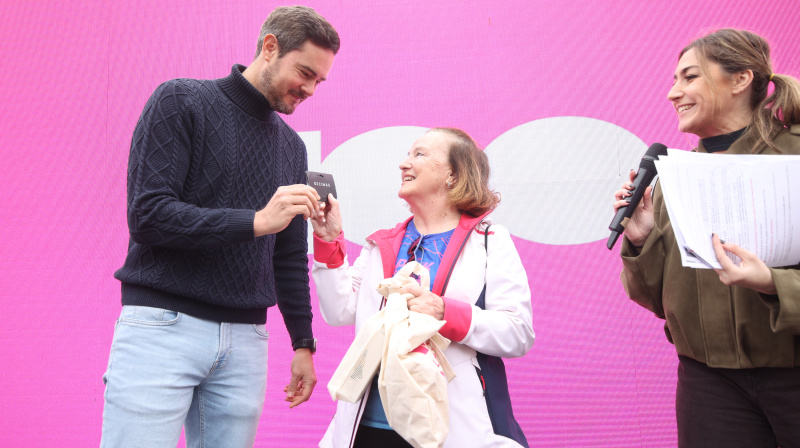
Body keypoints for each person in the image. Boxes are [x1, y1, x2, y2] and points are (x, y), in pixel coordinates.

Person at [101, 6, 340, 447]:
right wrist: (256, 222)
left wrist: (303, 343)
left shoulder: (291, 148)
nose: (309, 89)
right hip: (162, 325)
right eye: (305, 72)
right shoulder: (181, 101)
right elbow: (149, 215)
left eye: (318, 81)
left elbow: (287, 258)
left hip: (246, 341)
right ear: (270, 46)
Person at [613, 29, 800, 448]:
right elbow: (656, 300)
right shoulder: (675, 177)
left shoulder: (795, 157)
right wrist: (641, 242)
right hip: (707, 386)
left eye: (689, 77)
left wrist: (772, 283)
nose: (673, 93)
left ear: (740, 80)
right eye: (675, 80)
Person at [310, 127, 535, 448]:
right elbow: (339, 310)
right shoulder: (381, 242)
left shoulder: (490, 241)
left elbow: (517, 333)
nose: (404, 164)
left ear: (454, 176)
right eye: (406, 154)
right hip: (367, 427)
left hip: (448, 429)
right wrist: (329, 241)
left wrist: (444, 311)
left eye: (419, 154)